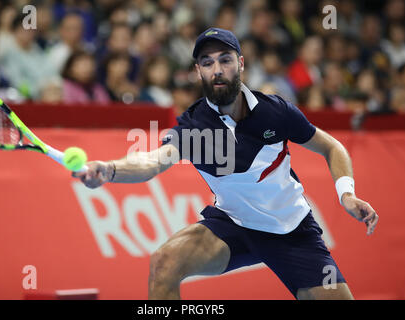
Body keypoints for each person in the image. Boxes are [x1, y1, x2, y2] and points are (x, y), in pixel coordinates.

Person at [73, 28, 379, 300]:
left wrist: (347, 194)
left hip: (291, 232)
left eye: (225, 60)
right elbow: (151, 161)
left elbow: (331, 147)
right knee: (165, 262)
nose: (217, 70)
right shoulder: (195, 127)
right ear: (198, 71)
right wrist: (109, 170)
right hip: (234, 226)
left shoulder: (275, 112)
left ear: (241, 64)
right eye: (207, 63)